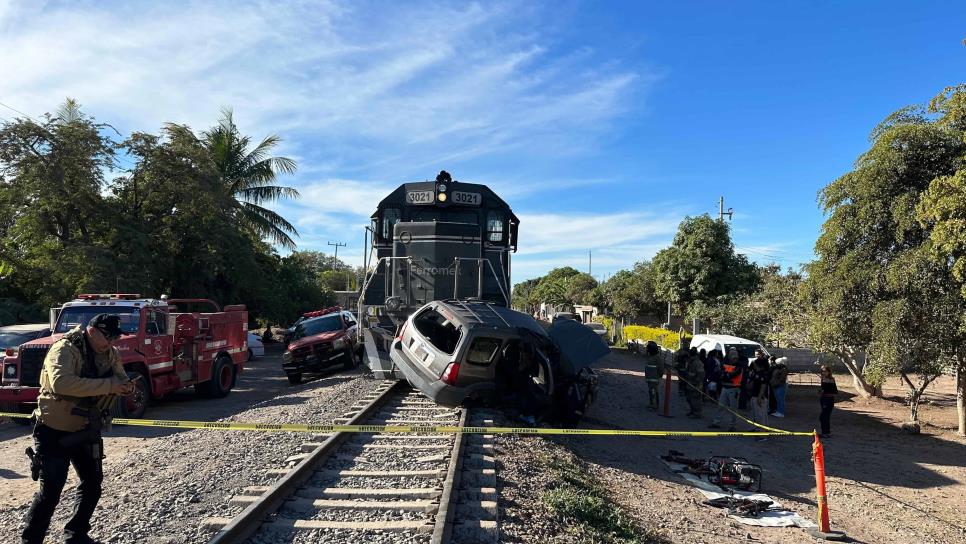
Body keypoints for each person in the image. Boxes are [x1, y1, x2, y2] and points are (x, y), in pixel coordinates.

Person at [22, 314, 134, 544]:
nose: (111, 341)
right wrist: (110, 385)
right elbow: (61, 383)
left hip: (86, 428)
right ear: (92, 330)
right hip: (54, 429)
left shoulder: (110, 353)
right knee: (51, 491)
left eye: (115, 337)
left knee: (92, 483)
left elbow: (121, 378)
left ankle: (76, 534)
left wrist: (126, 387)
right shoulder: (65, 349)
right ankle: (30, 540)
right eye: (108, 335)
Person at [711, 347, 746, 431]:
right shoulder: (725, 363)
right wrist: (726, 376)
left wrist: (725, 375)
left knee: (733, 409)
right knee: (721, 406)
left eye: (735, 356)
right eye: (732, 356)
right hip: (725, 388)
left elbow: (731, 375)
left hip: (734, 389)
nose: (734, 358)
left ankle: (732, 426)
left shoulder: (739, 366)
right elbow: (720, 374)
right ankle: (716, 422)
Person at [745, 356, 770, 436]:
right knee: (756, 414)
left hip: (759, 397)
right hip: (754, 395)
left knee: (761, 415)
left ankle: (762, 432)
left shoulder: (763, 374)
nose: (754, 366)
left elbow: (763, 386)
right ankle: (758, 428)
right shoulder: (756, 373)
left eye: (755, 364)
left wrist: (759, 397)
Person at [642, 341, 664, 411]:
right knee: (651, 392)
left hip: (654, 379)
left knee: (654, 391)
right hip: (649, 379)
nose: (647, 350)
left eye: (648, 349)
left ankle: (654, 405)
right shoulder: (650, 357)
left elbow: (661, 369)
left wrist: (659, 375)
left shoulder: (657, 358)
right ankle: (652, 404)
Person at [684, 348, 705, 418]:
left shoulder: (698, 362)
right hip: (690, 383)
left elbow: (701, 374)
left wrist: (698, 382)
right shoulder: (691, 361)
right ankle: (692, 411)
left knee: (696, 400)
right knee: (689, 398)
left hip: (696, 384)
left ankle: (697, 413)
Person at [819, 365, 838, 437]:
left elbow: (834, 391)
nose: (823, 373)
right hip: (823, 399)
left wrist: (824, 390)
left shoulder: (830, 380)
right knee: (824, 416)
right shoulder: (823, 379)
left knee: (824, 416)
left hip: (828, 399)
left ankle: (825, 433)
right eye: (822, 371)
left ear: (829, 372)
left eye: (825, 371)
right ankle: (826, 432)